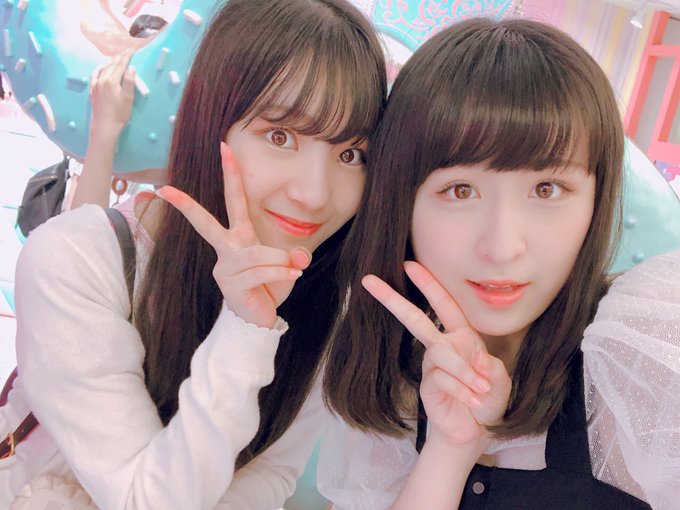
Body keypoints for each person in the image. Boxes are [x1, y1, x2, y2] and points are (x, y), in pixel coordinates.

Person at [3, 0, 386, 508]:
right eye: (280, 136)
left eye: (350, 154)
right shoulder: (73, 260)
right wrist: (245, 330)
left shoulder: (329, 304)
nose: (315, 194)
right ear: (210, 125)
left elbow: (273, 472)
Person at [320, 18, 679, 509]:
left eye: (547, 189)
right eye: (460, 190)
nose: (502, 247)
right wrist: (450, 449)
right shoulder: (392, 370)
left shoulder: (646, 353)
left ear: (596, 202)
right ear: (401, 203)